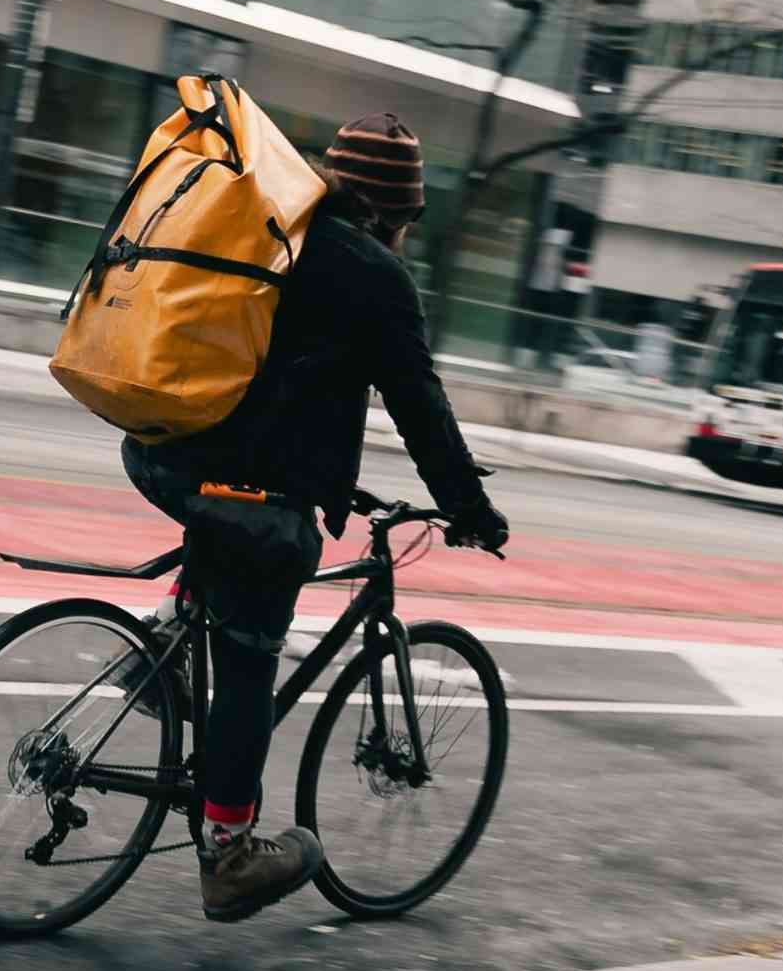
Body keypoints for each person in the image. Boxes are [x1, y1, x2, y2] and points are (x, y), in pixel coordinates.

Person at [121, 111, 509, 927]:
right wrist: (470, 509)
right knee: (255, 643)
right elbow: (419, 404)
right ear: (396, 213)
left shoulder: (271, 224)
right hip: (246, 486)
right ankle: (229, 852)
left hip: (162, 449)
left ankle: (159, 649)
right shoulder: (374, 273)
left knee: (230, 545)